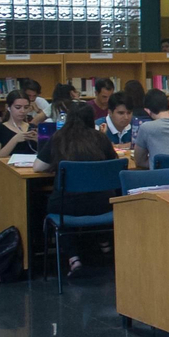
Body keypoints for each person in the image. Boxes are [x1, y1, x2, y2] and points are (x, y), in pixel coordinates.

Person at [32, 103, 119, 279]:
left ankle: (74, 258)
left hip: (68, 206)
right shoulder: (100, 138)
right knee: (93, 199)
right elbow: (114, 163)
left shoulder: (59, 138)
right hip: (102, 205)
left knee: (53, 204)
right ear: (91, 119)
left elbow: (37, 167)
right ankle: (106, 246)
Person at [0, 90, 38, 159]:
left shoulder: (33, 128)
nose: (22, 111)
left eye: (26, 107)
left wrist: (40, 142)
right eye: (18, 107)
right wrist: (15, 140)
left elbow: (46, 156)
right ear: (8, 107)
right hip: (6, 168)